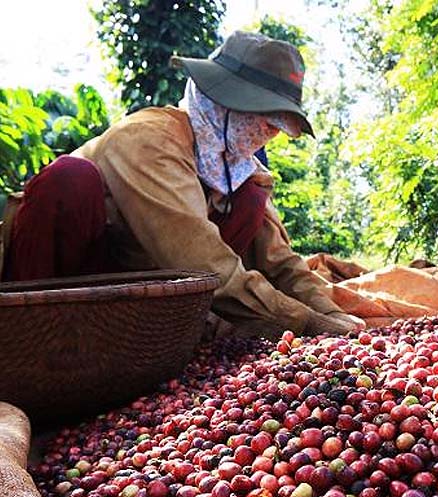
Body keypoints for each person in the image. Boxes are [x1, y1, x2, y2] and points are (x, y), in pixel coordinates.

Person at [0, 31, 363, 338]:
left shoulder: (238, 170)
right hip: (71, 281)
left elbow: (280, 261)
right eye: (267, 118)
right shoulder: (150, 140)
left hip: (136, 303)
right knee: (70, 179)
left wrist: (331, 315)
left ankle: (158, 334)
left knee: (252, 197)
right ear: (223, 103)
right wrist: (302, 323)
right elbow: (200, 259)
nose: (273, 133)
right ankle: (28, 338)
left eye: (279, 124)